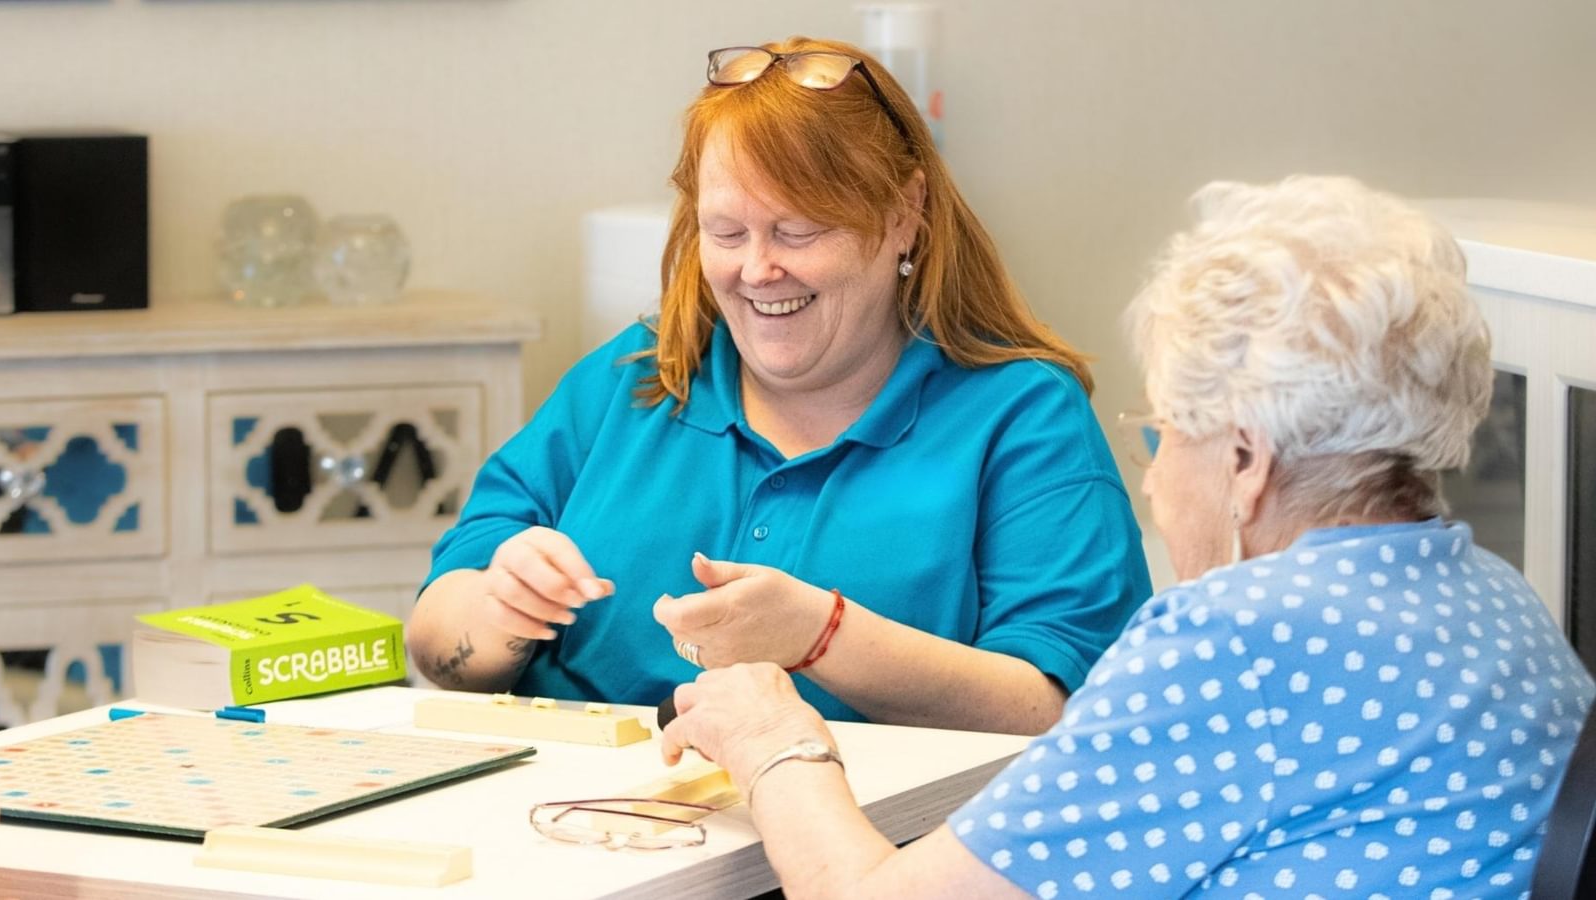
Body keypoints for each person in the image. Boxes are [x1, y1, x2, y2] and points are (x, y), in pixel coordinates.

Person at [661, 176, 1596, 896]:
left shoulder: (1239, 643)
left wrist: (773, 737)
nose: (1153, 473)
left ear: (1245, 460)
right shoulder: (1495, 596)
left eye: (1163, 434)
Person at [407, 37, 1150, 732]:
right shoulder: (639, 376)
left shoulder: (1019, 415)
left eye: (798, 232)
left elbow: (1063, 711)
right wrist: (499, 610)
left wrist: (824, 638)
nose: (757, 271)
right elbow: (436, 637)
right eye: (727, 234)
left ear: (904, 213)